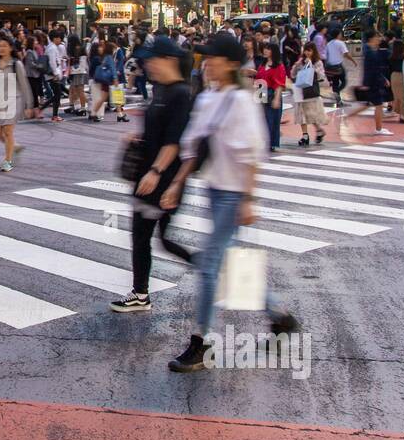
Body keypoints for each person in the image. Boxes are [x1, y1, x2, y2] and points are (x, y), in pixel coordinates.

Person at [159, 32, 300, 371]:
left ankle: (201, 343)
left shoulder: (241, 101)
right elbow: (195, 146)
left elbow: (252, 153)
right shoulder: (208, 97)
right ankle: (279, 316)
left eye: (213, 58)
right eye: (205, 57)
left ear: (232, 64)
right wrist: (177, 184)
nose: (206, 63)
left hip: (233, 193)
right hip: (213, 188)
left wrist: (249, 198)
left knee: (209, 266)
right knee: (233, 262)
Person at [112, 35, 196, 313]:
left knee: (160, 239)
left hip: (161, 178)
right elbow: (158, 134)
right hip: (149, 175)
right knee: (147, 237)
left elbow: (174, 142)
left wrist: (156, 172)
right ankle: (140, 293)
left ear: (169, 60)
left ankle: (208, 267)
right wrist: (137, 140)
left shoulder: (181, 94)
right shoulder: (160, 89)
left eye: (152, 59)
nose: (147, 65)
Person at [0, 34, 33, 172]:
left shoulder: (16, 64)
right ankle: (15, 147)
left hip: (14, 100)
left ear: (11, 48)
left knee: (7, 131)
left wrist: (29, 105)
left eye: (4, 46)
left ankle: (7, 161)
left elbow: (24, 85)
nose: (1, 48)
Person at [345, 30, 391, 135]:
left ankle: (348, 117)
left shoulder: (370, 50)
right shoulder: (370, 52)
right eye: (377, 37)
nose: (379, 39)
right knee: (378, 105)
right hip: (374, 83)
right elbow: (371, 69)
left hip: (372, 82)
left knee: (368, 104)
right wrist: (380, 80)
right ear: (372, 38)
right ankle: (378, 129)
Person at [288, 41, 327, 147]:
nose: (307, 53)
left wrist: (311, 67)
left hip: (311, 91)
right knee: (301, 113)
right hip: (300, 90)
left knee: (311, 114)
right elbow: (292, 73)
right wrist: (296, 66)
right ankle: (305, 135)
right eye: (306, 50)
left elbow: (321, 76)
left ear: (314, 51)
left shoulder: (318, 62)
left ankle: (319, 130)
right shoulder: (301, 61)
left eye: (309, 51)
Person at [254, 41, 287, 152]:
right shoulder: (263, 64)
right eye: (265, 49)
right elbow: (259, 78)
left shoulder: (279, 66)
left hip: (272, 93)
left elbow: (279, 84)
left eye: (268, 49)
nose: (265, 51)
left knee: (272, 119)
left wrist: (277, 98)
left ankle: (270, 142)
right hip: (261, 90)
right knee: (261, 118)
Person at [388, 38, 404, 123]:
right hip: (403, 76)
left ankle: (401, 114)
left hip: (394, 76)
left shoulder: (391, 57)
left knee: (398, 97)